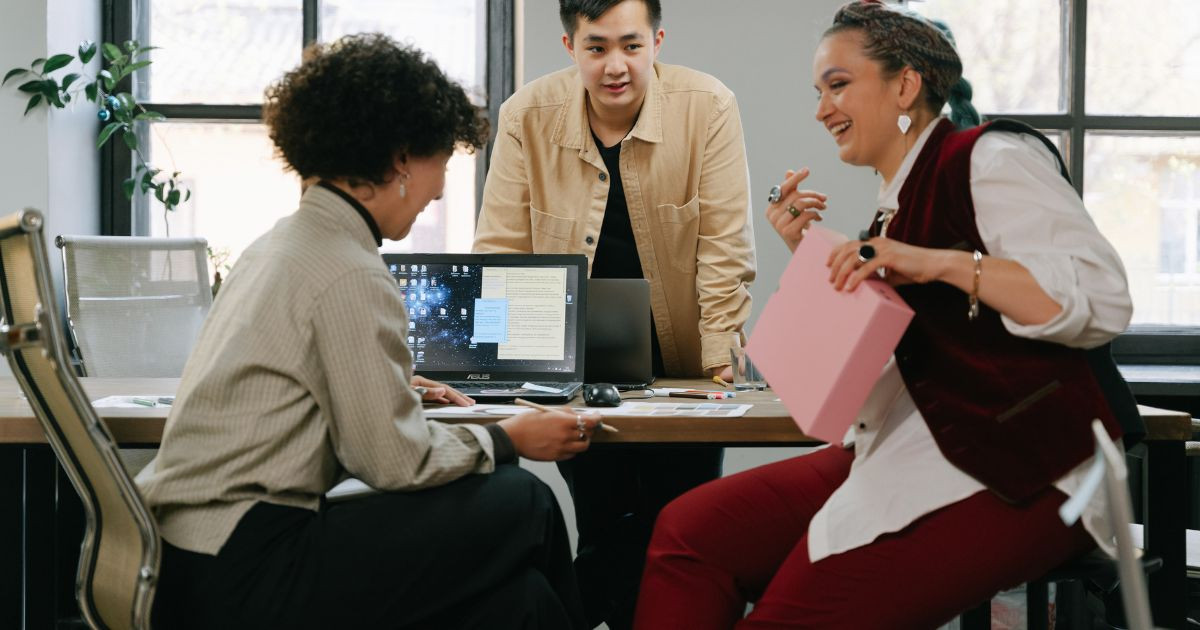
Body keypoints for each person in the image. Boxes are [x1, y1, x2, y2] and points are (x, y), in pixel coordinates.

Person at [633, 2, 1141, 628]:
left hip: (1028, 466)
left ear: (905, 84)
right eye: (819, 92)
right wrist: (811, 251)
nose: (822, 109)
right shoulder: (892, 208)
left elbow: (1103, 298)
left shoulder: (989, 159)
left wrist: (936, 263)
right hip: (915, 441)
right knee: (689, 532)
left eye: (839, 85)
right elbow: (887, 366)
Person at [136, 34, 601, 630]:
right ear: (402, 159)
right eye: (442, 164)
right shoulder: (351, 270)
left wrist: (390, 385)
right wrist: (510, 437)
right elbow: (392, 461)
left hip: (184, 561)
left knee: (522, 605)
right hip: (247, 567)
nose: (438, 190)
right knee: (524, 500)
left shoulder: (279, 244)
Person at [472, 1, 756, 626]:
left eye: (631, 45)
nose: (615, 66)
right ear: (570, 45)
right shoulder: (527, 115)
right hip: (571, 368)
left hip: (684, 367)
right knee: (606, 525)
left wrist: (719, 364)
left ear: (657, 39)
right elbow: (502, 249)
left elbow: (724, 247)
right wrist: (500, 371)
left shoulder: (707, 106)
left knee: (680, 526)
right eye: (597, 47)